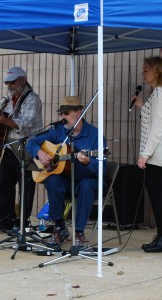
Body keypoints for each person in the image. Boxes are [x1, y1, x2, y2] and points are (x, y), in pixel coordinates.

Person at [26, 96, 108, 248]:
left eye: (66, 113)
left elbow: (101, 169)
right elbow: (31, 142)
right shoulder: (58, 132)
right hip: (68, 182)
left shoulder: (95, 135)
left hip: (90, 182)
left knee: (86, 185)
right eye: (61, 113)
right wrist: (39, 153)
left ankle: (79, 232)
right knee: (53, 180)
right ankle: (59, 227)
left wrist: (88, 161)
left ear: (79, 112)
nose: (63, 117)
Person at [0, 67, 42, 233]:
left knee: (26, 186)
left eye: (13, 81)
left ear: (23, 81)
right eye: (7, 82)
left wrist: (4, 120)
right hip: (10, 146)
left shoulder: (32, 99)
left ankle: (22, 223)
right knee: (5, 185)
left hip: (28, 147)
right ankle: (5, 221)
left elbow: (26, 123)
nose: (9, 85)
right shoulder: (7, 98)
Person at [132, 56, 162, 253]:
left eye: (146, 70)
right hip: (159, 149)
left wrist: (145, 154)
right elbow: (155, 119)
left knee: (157, 193)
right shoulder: (160, 92)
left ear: (157, 72)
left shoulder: (160, 93)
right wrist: (142, 105)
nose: (144, 73)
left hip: (157, 150)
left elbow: (157, 128)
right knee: (155, 191)